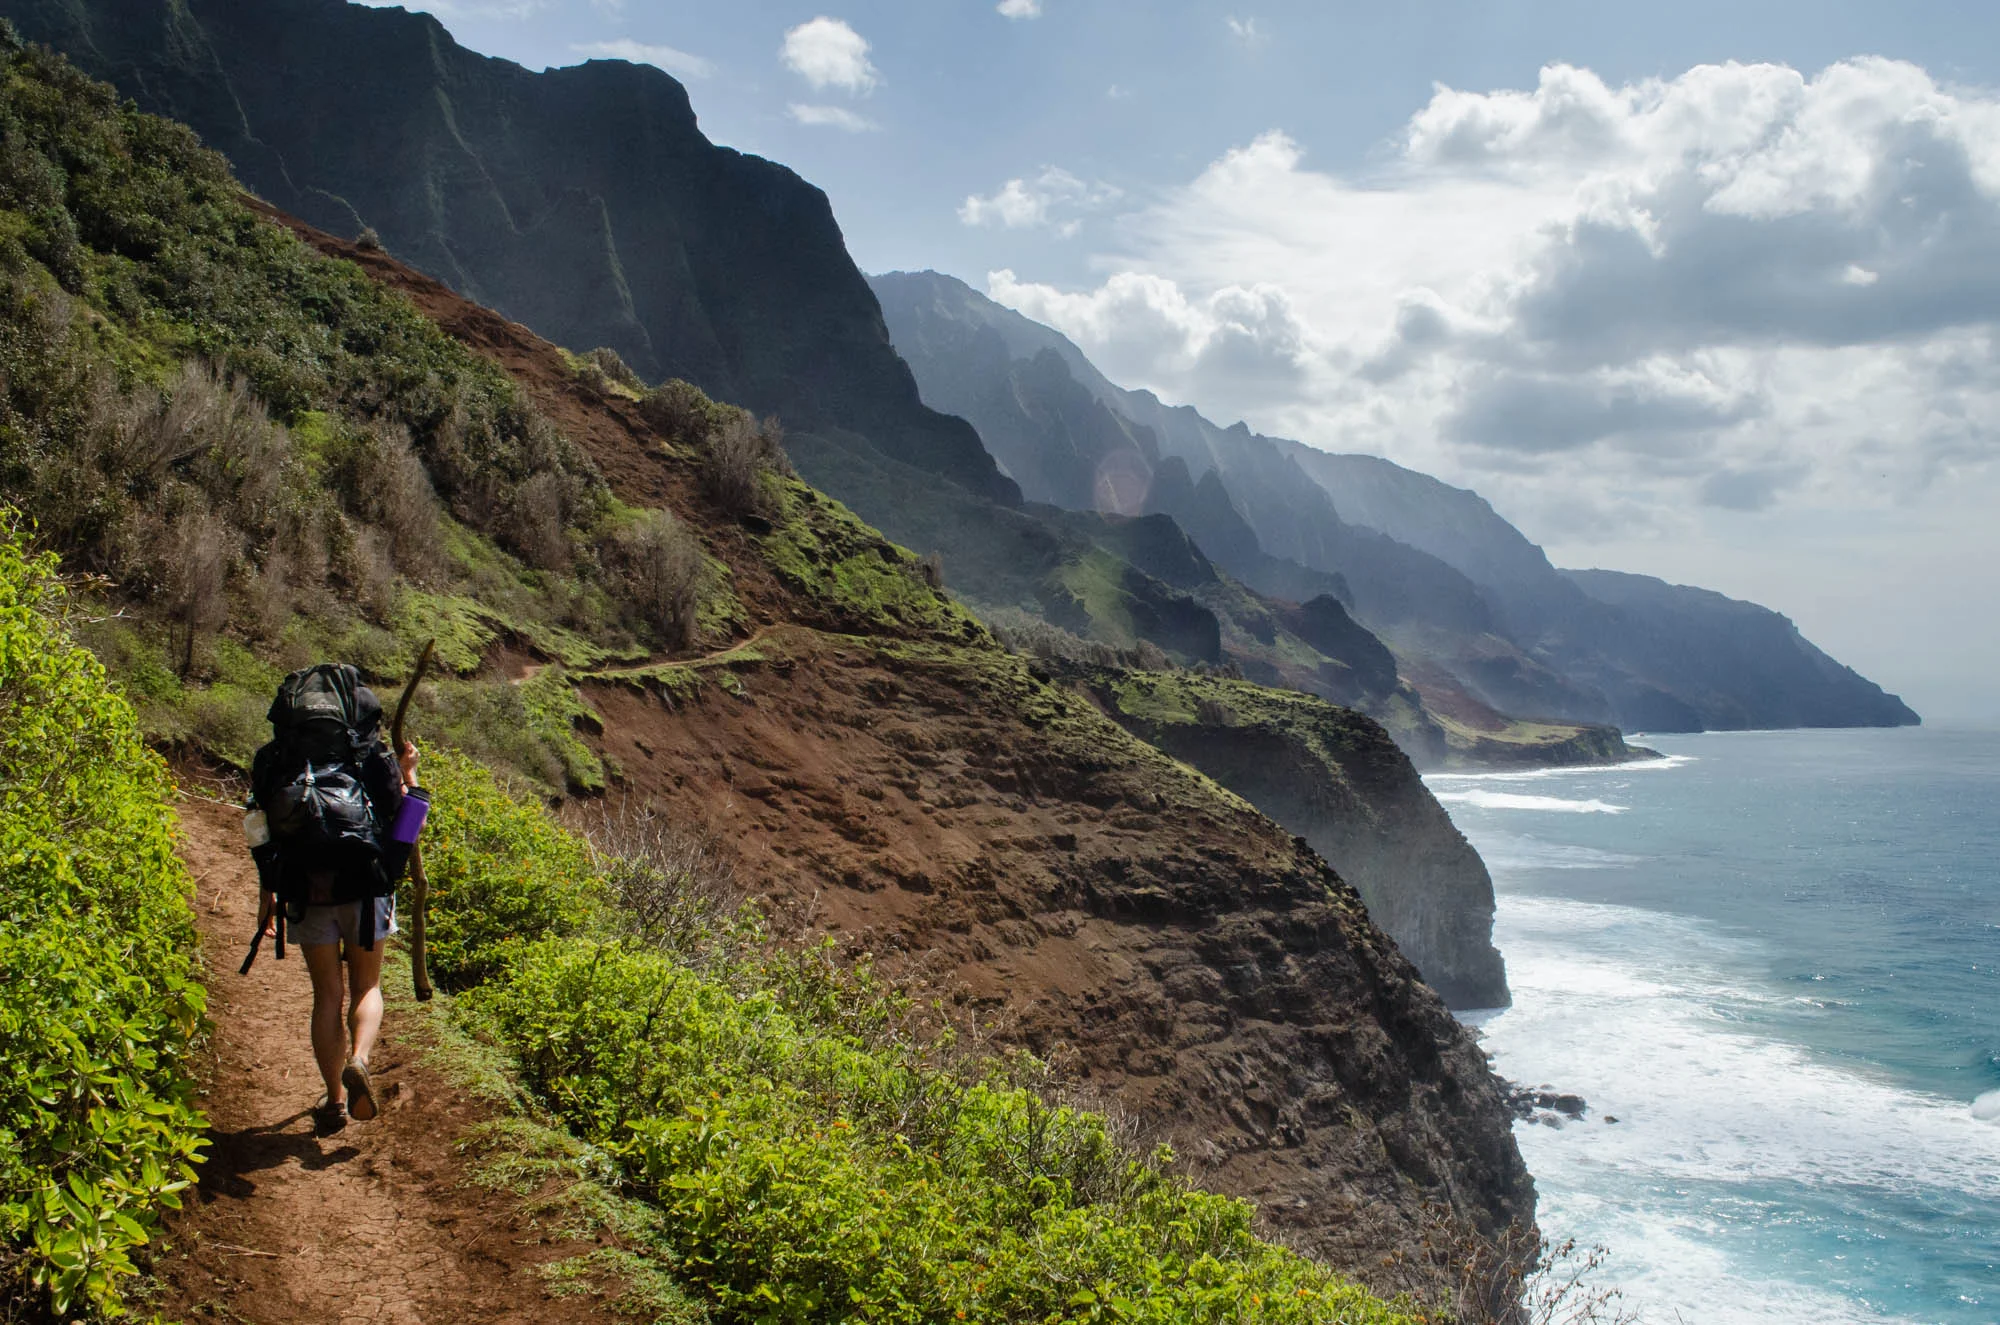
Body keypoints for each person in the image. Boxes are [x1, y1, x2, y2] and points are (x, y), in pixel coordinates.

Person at [246, 665, 421, 1135]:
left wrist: (269, 895)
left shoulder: (274, 758)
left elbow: (260, 832)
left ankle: (334, 1100)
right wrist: (408, 774)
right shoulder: (367, 753)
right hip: (366, 885)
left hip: (305, 888)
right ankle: (360, 1059)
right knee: (367, 985)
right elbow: (402, 813)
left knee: (326, 993)